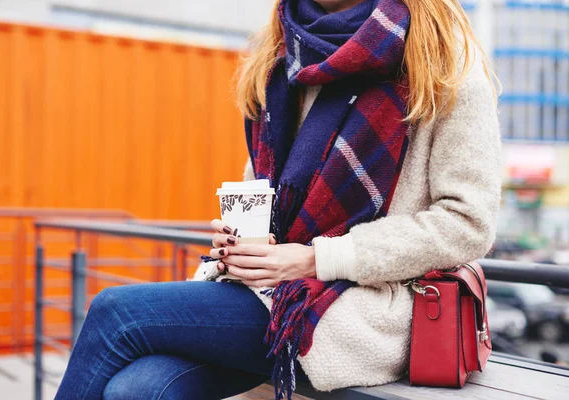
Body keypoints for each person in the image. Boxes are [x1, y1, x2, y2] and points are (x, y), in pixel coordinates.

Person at [55, 0, 501, 399]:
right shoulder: (283, 54)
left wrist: (315, 259)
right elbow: (267, 189)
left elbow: (467, 221)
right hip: (274, 294)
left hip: (365, 308)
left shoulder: (441, 57)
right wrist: (241, 237)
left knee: (117, 312)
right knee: (138, 389)